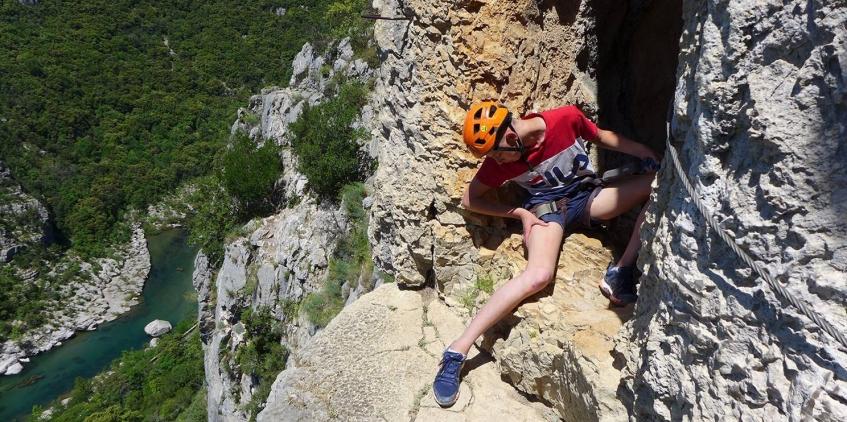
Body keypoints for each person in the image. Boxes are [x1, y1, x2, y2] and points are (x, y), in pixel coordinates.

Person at [432, 100, 659, 407]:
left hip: (589, 197)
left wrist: (644, 152)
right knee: (537, 276)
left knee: (659, 185)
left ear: (511, 138)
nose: (496, 162)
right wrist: (520, 214)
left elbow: (600, 136)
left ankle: (620, 271)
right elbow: (471, 198)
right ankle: (457, 351)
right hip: (546, 210)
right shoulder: (503, 157)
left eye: (496, 153)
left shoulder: (564, 119)